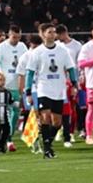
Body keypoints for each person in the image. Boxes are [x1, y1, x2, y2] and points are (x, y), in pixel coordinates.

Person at [25, 23, 78, 159]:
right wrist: (28, 92)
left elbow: (71, 68)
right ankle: (47, 149)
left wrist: (74, 85)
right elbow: (30, 73)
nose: (53, 34)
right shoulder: (37, 52)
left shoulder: (62, 51)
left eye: (54, 32)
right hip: (43, 89)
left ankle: (47, 142)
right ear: (43, 34)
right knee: (45, 117)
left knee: (57, 123)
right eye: (49, 32)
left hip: (59, 90)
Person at [0, 24, 26, 151]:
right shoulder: (1, 47)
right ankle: (6, 139)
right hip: (5, 86)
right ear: (9, 35)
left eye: (18, 37)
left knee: (16, 112)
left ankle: (9, 136)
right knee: (4, 113)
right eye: (14, 37)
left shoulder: (22, 46)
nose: (16, 40)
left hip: (17, 85)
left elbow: (26, 63)